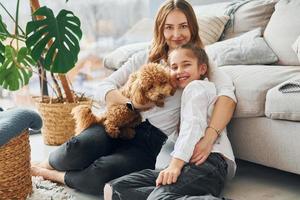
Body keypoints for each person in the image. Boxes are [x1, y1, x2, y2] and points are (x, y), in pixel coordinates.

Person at [31, 0, 236, 195]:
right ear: (160, 30)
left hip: (148, 142)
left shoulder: (199, 64)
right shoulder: (144, 57)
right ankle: (44, 164)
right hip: (118, 123)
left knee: (101, 173)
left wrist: (209, 137)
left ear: (192, 28)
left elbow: (227, 97)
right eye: (169, 27)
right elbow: (103, 87)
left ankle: (51, 174)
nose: (176, 34)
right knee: (77, 148)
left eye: (183, 26)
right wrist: (132, 104)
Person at [104, 43, 236, 200]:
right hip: (187, 162)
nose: (179, 71)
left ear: (202, 69)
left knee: (158, 197)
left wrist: (174, 166)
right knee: (115, 189)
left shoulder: (197, 88)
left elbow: (192, 127)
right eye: (174, 67)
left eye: (186, 65)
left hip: (209, 161)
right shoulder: (182, 94)